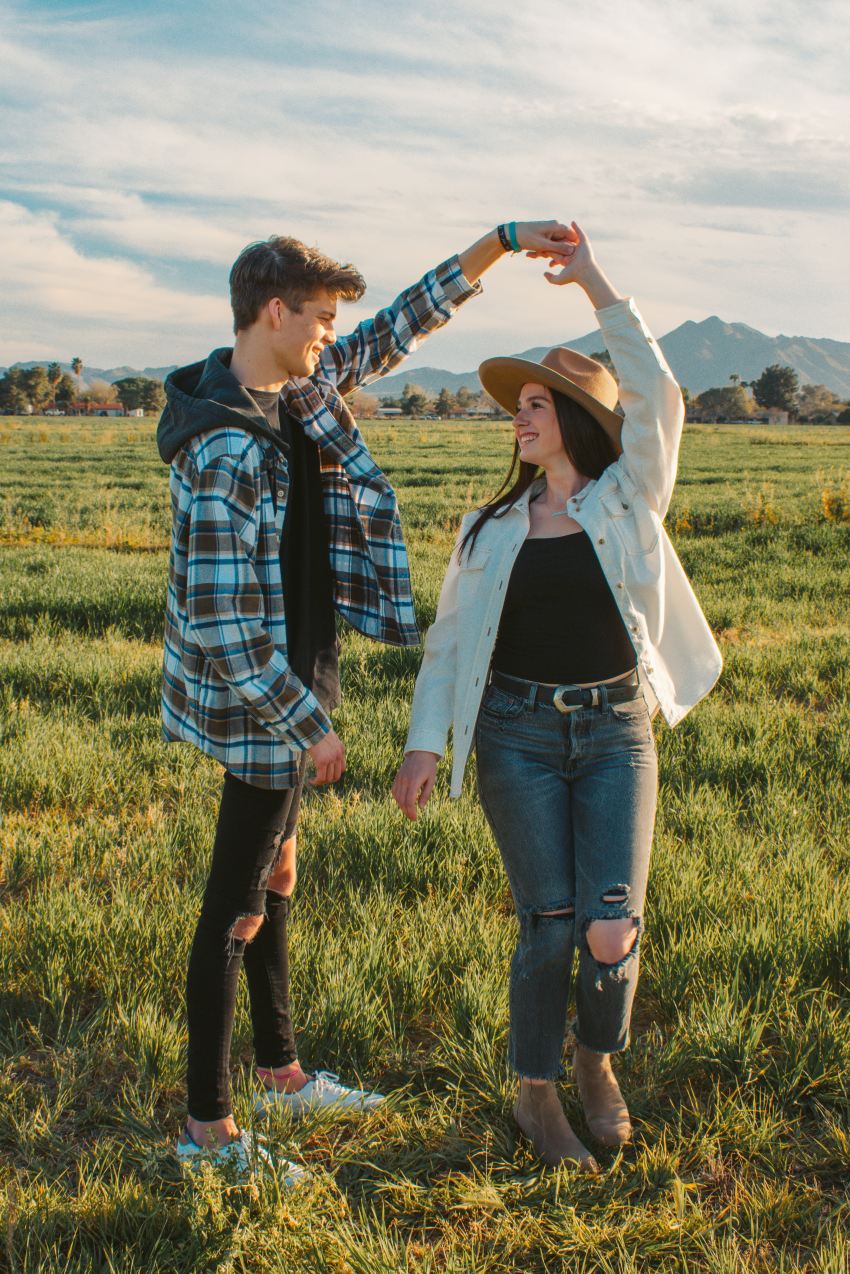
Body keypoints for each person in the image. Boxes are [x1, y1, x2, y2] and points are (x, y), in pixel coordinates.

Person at [156, 219, 576, 1177]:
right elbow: (224, 629)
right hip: (263, 696)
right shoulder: (224, 447)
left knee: (278, 877)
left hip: (297, 668)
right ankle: (207, 1127)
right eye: (318, 318)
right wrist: (308, 727)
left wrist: (496, 244)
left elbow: (394, 330)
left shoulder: (293, 388)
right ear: (275, 310)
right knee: (235, 906)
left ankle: (282, 1074)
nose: (329, 337)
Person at [393, 222, 722, 1172]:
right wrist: (424, 743)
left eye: (536, 405)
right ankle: (536, 1094)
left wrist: (594, 283)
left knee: (611, 922)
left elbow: (660, 392)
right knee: (546, 923)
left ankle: (594, 1062)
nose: (518, 419)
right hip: (517, 735)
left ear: (578, 419)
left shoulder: (627, 500)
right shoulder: (487, 529)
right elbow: (451, 644)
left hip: (618, 729)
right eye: (519, 406)